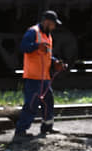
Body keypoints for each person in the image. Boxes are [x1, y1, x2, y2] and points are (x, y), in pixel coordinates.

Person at [12, 10, 67, 142]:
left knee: (48, 102)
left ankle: (47, 126)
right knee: (31, 104)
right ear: (47, 22)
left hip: (44, 78)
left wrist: (55, 63)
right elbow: (23, 47)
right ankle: (20, 131)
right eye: (53, 24)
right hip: (32, 77)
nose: (54, 27)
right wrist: (37, 46)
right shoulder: (33, 32)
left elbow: (47, 54)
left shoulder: (48, 35)